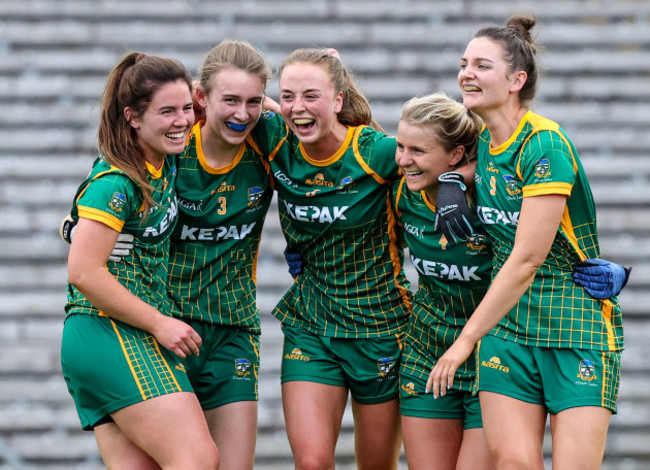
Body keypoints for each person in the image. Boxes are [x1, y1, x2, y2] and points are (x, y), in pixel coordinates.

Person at [427, 14, 624, 469]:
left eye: (481, 65)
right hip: (508, 329)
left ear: (517, 79)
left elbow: (527, 259)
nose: (466, 74)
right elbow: (419, 144)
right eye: (463, 63)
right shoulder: (484, 141)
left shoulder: (545, 144)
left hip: (573, 323)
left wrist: (463, 342)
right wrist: (455, 177)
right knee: (514, 465)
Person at [251, 48, 411, 470]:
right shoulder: (274, 136)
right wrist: (78, 220)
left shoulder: (375, 152)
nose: (297, 108)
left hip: (380, 326)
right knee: (312, 462)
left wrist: (451, 181)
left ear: (338, 101)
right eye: (287, 96)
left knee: (376, 465)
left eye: (311, 96)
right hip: (312, 324)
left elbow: (450, 146)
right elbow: (207, 101)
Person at [61, 52, 219, 469]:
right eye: (166, 111)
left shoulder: (162, 156)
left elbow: (229, 100)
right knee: (198, 460)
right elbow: (82, 271)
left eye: (187, 108)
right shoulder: (118, 180)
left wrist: (294, 100)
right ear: (132, 117)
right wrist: (160, 323)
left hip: (121, 331)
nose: (182, 120)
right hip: (109, 331)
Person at [166, 39, 274, 470]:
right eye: (230, 100)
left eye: (253, 102)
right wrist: (74, 225)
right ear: (200, 98)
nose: (242, 114)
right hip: (167, 328)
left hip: (233, 329)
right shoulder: (171, 146)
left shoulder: (269, 144)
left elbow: (338, 135)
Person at [392, 92, 494, 470]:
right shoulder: (401, 188)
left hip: (491, 352)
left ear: (456, 154)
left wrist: (458, 179)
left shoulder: (493, 194)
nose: (403, 159)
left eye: (418, 150)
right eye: (401, 146)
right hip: (427, 349)